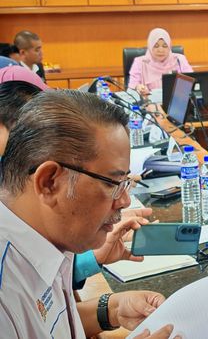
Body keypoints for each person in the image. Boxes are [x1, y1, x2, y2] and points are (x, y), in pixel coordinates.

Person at [0, 91, 175, 338]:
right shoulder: (5, 293)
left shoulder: (51, 236)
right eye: (112, 183)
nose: (124, 200)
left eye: (126, 182)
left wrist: (113, 309)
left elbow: (47, 325)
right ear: (49, 182)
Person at [128, 28, 193, 96]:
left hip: (175, 99)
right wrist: (138, 87)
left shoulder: (179, 59)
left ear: (169, 46)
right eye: (156, 46)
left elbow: (191, 80)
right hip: (149, 100)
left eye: (165, 46)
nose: (161, 50)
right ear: (150, 46)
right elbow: (132, 86)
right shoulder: (140, 62)